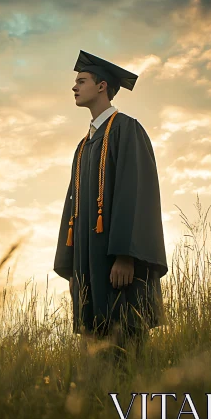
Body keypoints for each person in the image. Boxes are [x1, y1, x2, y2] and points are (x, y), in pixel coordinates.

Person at [53, 50, 169, 360]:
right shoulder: (84, 146)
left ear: (102, 86)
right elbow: (72, 212)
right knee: (96, 355)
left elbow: (136, 193)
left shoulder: (126, 130)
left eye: (82, 81)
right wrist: (73, 267)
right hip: (88, 268)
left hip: (118, 265)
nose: (74, 87)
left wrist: (125, 255)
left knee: (127, 346)